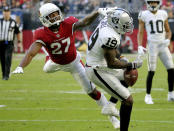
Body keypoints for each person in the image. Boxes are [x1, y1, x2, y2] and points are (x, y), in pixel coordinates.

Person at [12, 3, 120, 129]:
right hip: (55, 63)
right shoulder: (41, 33)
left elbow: (85, 22)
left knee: (92, 92)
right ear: (44, 19)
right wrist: (20, 66)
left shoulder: (68, 24)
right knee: (46, 69)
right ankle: (50, 56)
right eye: (52, 15)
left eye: (56, 13)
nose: (56, 16)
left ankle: (112, 118)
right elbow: (31, 53)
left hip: (73, 63)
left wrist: (97, 12)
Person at [85, 8, 143, 131]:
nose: (128, 27)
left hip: (100, 62)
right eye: (125, 25)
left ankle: (110, 106)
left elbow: (111, 52)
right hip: (96, 69)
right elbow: (111, 63)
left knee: (130, 75)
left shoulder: (108, 20)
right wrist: (132, 64)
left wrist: (122, 57)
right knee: (128, 100)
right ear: (116, 23)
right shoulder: (110, 36)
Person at [138, 0, 174, 104]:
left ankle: (171, 94)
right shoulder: (143, 14)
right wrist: (140, 45)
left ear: (158, 3)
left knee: (171, 69)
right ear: (147, 3)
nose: (153, 4)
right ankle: (148, 96)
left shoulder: (163, 13)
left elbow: (168, 30)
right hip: (152, 46)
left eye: (154, 2)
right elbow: (140, 32)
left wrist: (168, 39)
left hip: (163, 45)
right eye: (150, 2)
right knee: (151, 71)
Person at [0, 5, 22, 80]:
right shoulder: (0, 21)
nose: (6, 13)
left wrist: (19, 42)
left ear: (10, 13)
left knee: (7, 58)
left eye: (7, 12)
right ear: (3, 12)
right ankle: (4, 75)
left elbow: (18, 32)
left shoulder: (13, 22)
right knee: (2, 59)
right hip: (1, 43)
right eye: (5, 12)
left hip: (9, 43)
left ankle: (7, 75)